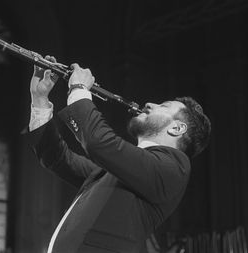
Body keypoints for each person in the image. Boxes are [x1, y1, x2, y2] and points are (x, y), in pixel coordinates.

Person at [25, 57, 211, 253]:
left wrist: (79, 88)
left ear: (177, 128)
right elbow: (58, 158)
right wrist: (39, 99)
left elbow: (98, 142)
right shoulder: (120, 173)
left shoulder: (175, 167)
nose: (149, 104)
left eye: (163, 106)